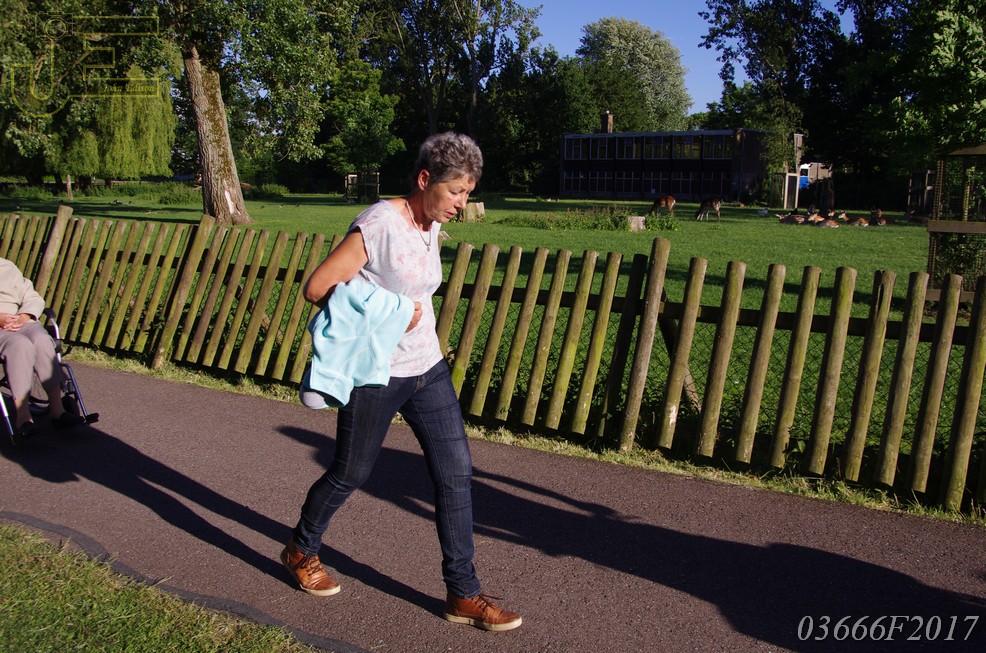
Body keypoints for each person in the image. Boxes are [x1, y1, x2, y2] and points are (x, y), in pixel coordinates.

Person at [282, 132, 522, 632]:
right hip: (377, 373)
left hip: (427, 368)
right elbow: (318, 287)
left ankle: (463, 593)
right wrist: (392, 309)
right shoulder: (378, 224)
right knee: (351, 473)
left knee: (456, 474)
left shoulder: (432, 223)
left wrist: (409, 314)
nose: (462, 203)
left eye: (468, 193)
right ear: (424, 179)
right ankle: (301, 549)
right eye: (455, 191)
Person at [0, 257, 86, 442]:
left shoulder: (7, 267)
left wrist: (24, 316)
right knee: (20, 344)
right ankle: (23, 418)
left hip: (19, 321)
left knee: (41, 339)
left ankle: (58, 410)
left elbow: (33, 297)